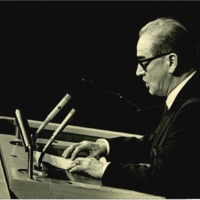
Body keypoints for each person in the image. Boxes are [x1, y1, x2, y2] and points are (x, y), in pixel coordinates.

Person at [62, 17, 200, 198]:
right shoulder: (184, 97)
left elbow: (164, 177)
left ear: (172, 61)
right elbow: (157, 144)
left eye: (144, 62)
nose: (138, 72)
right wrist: (105, 146)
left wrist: (103, 169)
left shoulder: (194, 106)